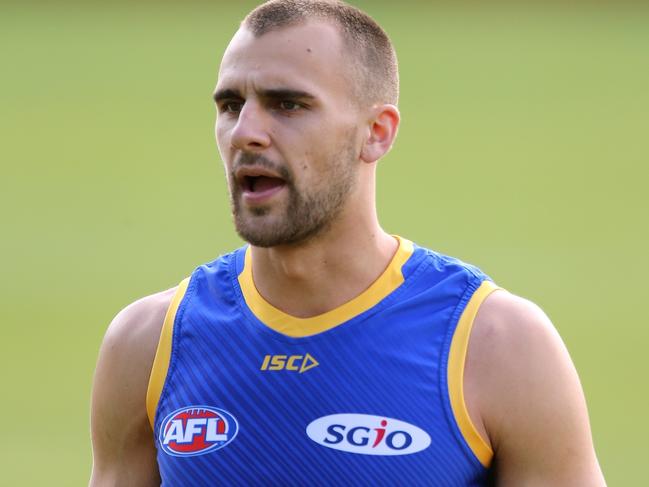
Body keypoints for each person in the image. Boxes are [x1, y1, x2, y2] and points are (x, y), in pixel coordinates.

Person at [89, 1, 606, 485]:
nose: (246, 132)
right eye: (230, 105)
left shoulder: (497, 348)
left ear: (377, 132)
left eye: (287, 104)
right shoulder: (150, 344)